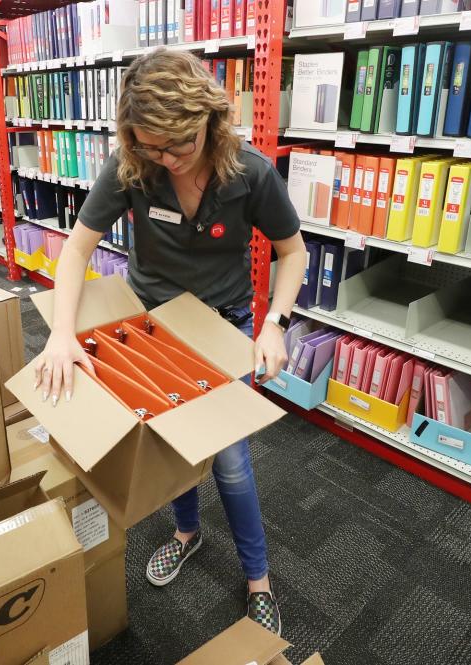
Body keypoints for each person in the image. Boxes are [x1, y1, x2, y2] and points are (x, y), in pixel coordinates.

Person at [33, 48, 305, 636]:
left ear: (208, 119)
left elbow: (293, 252)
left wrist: (275, 323)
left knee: (230, 462)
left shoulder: (249, 171)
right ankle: (186, 533)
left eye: (180, 145)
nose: (170, 160)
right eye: (153, 147)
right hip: (154, 323)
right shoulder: (133, 166)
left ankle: (257, 577)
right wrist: (60, 334)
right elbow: (78, 248)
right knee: (170, 448)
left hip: (222, 323)